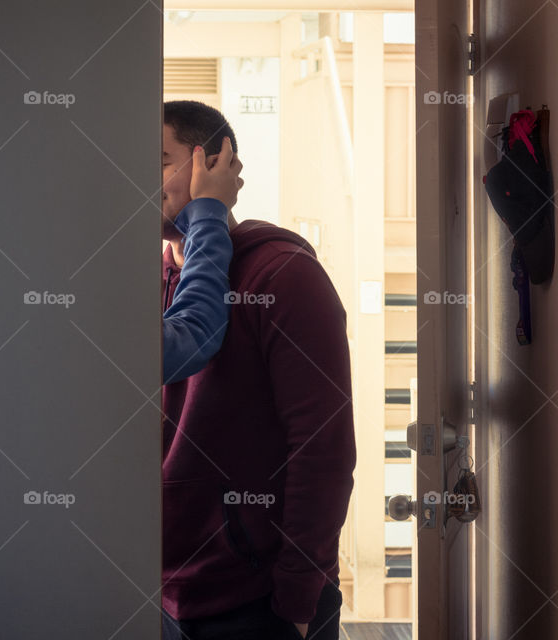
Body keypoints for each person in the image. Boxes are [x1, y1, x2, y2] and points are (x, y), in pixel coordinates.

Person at [160, 100, 356, 640]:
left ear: (215, 161)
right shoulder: (140, 278)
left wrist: (298, 595)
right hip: (161, 594)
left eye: (158, 159)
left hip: (258, 602)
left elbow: (322, 449)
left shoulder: (283, 275)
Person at [162, 135, 243, 383]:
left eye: (159, 164)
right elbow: (190, 336)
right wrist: (208, 209)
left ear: (212, 167)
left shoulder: (280, 268)